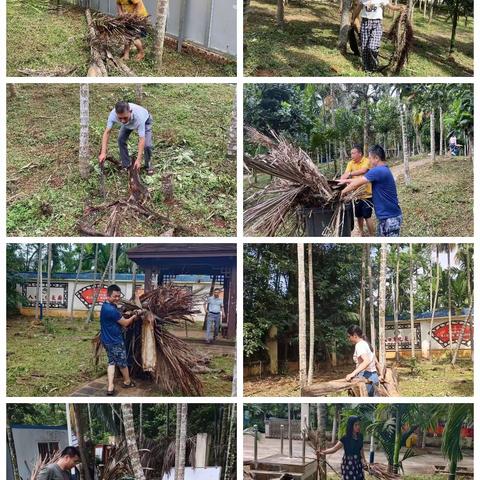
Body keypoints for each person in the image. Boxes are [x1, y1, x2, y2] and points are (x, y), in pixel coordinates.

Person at [339, 145, 402, 237]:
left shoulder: (378, 171)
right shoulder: (383, 169)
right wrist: (345, 181)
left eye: (370, 158)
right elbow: (359, 180)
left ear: (376, 158)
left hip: (389, 218)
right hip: (389, 216)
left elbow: (356, 184)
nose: (369, 161)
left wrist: (341, 193)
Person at [100, 284, 142, 395]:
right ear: (108, 295)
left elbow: (117, 315)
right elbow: (125, 323)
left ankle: (110, 387)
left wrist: (124, 313)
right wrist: (134, 315)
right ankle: (127, 382)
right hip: (115, 341)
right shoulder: (111, 310)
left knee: (111, 362)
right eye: (115, 296)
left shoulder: (105, 306)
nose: (117, 298)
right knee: (122, 363)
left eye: (119, 296)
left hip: (106, 340)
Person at [99, 101, 154, 175]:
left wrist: (138, 160)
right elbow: (107, 132)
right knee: (121, 140)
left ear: (130, 111)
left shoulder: (139, 117)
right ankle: (126, 164)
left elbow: (142, 139)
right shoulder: (113, 115)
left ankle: (148, 166)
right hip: (128, 124)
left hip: (145, 121)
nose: (122, 121)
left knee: (147, 146)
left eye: (125, 117)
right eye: (120, 118)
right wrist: (103, 152)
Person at [351, 1, 407, 72]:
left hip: (376, 24)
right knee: (364, 47)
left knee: (372, 47)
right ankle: (367, 68)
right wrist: (353, 19)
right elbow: (358, 8)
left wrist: (400, 8)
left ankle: (374, 65)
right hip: (365, 23)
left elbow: (391, 7)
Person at [340, 145, 375, 236]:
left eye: (353, 153)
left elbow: (363, 171)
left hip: (367, 194)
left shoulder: (366, 161)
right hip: (356, 195)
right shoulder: (350, 163)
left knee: (367, 216)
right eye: (351, 153)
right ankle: (361, 233)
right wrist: (344, 178)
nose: (351, 155)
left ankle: (372, 235)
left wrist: (349, 174)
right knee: (359, 215)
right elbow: (345, 174)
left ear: (360, 153)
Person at [320, 416, 368, 480]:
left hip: (358, 463)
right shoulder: (345, 438)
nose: (358, 427)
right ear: (351, 426)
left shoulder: (360, 436)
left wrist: (364, 460)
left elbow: (361, 449)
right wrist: (324, 452)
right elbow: (334, 449)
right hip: (348, 464)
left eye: (359, 424)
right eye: (356, 425)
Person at [345, 325, 381, 397]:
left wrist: (352, 374)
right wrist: (381, 374)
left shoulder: (359, 345)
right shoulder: (367, 344)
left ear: (355, 335)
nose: (349, 339)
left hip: (366, 377)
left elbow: (366, 361)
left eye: (349, 336)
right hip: (373, 376)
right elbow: (375, 362)